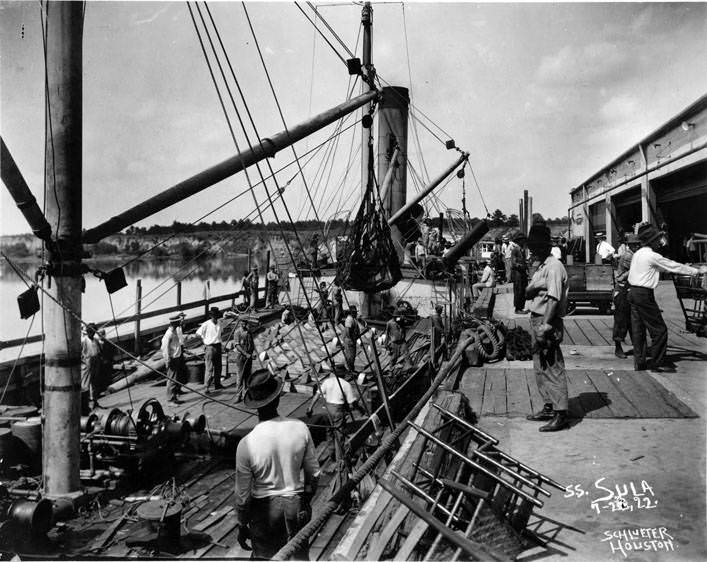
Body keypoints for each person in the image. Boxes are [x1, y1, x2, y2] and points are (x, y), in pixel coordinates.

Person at [235, 371, 320, 560]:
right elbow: (313, 474)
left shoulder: (246, 444)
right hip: (295, 504)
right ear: (277, 399)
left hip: (264, 513)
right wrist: (305, 499)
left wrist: (242, 525)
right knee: (299, 558)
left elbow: (242, 496)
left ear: (255, 406)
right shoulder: (300, 428)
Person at [628, 223, 707, 373]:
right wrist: (697, 271)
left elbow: (660, 267)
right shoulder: (652, 255)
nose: (660, 242)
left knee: (638, 329)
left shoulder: (638, 254)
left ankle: (639, 362)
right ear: (651, 241)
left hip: (632, 292)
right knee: (659, 330)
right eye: (658, 239)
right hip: (644, 294)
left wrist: (684, 267)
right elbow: (672, 266)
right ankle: (658, 364)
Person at [524, 221, 570, 432]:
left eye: (534, 248)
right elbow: (530, 291)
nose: (531, 252)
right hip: (537, 318)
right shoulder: (542, 266)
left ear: (543, 247)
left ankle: (561, 414)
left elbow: (553, 299)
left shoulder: (553, 267)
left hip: (547, 321)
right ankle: (549, 407)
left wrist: (545, 326)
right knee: (540, 366)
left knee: (552, 367)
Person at [306, 369, 364, 466]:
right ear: (344, 375)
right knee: (339, 435)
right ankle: (339, 460)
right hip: (338, 410)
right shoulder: (345, 384)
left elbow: (317, 395)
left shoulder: (327, 382)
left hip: (327, 409)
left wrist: (310, 408)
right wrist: (360, 410)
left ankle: (332, 455)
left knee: (329, 433)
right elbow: (352, 403)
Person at [613, 234, 640, 359]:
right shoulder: (628, 256)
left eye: (638, 244)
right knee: (621, 321)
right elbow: (638, 269)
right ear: (630, 245)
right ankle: (618, 348)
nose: (638, 246)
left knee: (631, 320)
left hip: (628, 290)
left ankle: (637, 347)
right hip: (622, 291)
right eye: (635, 244)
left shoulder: (634, 255)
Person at [196, 307, 224, 393]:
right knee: (209, 368)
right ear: (211, 316)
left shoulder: (220, 323)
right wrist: (204, 342)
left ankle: (217, 384)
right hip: (210, 347)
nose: (215, 317)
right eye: (213, 316)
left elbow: (221, 333)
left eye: (216, 316)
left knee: (218, 367)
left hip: (218, 346)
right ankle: (206, 387)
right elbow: (197, 334)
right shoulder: (206, 324)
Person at [162, 314, 186, 404]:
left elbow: (177, 344)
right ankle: (170, 399)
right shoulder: (168, 334)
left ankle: (174, 396)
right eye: (178, 321)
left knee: (176, 378)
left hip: (177, 356)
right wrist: (167, 360)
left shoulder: (175, 331)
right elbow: (164, 348)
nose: (180, 322)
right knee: (171, 379)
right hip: (172, 359)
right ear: (174, 323)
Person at [231, 317, 255, 401]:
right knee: (240, 377)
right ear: (240, 322)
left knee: (248, 376)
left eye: (245, 322)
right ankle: (238, 395)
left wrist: (252, 353)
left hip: (248, 357)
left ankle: (247, 394)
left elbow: (252, 344)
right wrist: (246, 354)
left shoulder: (249, 332)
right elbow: (237, 345)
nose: (244, 324)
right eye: (242, 322)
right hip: (240, 357)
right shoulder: (237, 332)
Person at [81, 323, 102, 412]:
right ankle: (86, 405)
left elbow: (99, 350)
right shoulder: (83, 341)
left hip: (95, 360)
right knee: (86, 384)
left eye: (93, 332)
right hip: (87, 362)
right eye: (90, 332)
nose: (92, 334)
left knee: (95, 382)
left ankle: (95, 402)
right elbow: (80, 353)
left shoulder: (96, 340)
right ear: (87, 332)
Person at [510, 232, 529, 314]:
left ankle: (521, 307)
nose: (524, 242)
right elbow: (513, 263)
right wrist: (521, 266)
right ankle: (517, 309)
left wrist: (526, 265)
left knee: (524, 290)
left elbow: (524, 261)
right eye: (523, 240)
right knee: (518, 290)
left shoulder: (523, 250)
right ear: (519, 241)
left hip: (523, 273)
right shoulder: (515, 250)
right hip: (517, 273)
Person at [341, 306, 360, 373]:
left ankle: (351, 369)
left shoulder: (353, 319)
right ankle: (349, 370)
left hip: (352, 339)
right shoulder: (349, 319)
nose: (356, 314)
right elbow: (347, 331)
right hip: (349, 340)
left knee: (352, 355)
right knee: (350, 355)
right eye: (354, 312)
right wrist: (351, 339)